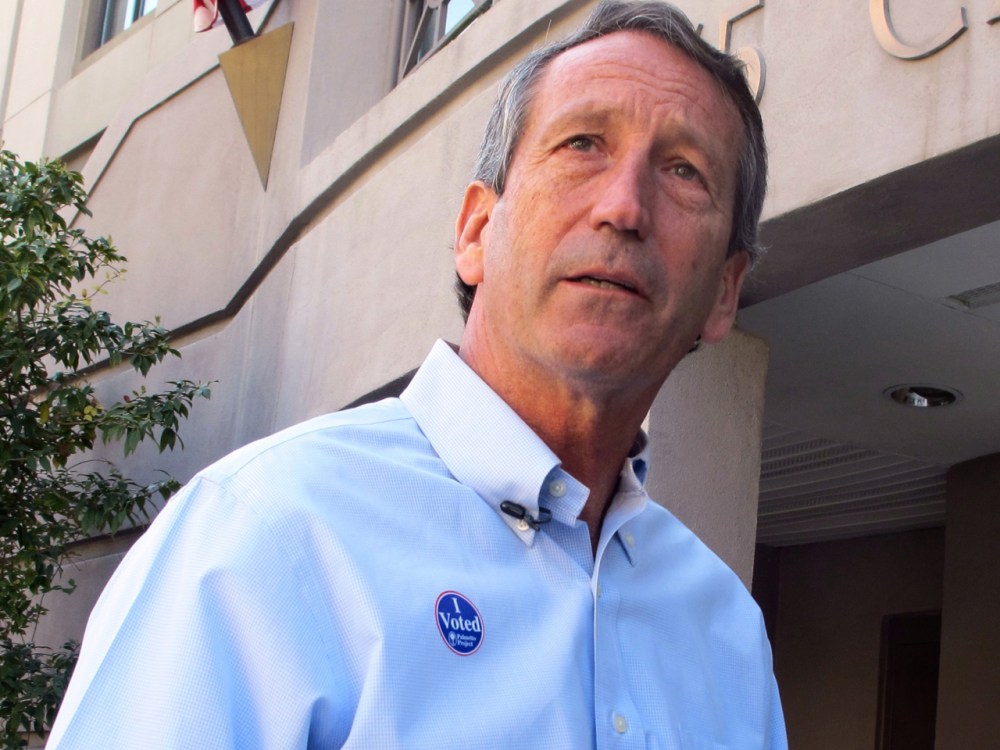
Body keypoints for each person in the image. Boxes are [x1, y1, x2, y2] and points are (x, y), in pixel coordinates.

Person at [49, 1, 785, 747]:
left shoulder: (729, 634)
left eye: (685, 171)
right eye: (582, 143)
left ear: (724, 294)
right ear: (475, 231)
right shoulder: (262, 537)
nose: (624, 207)